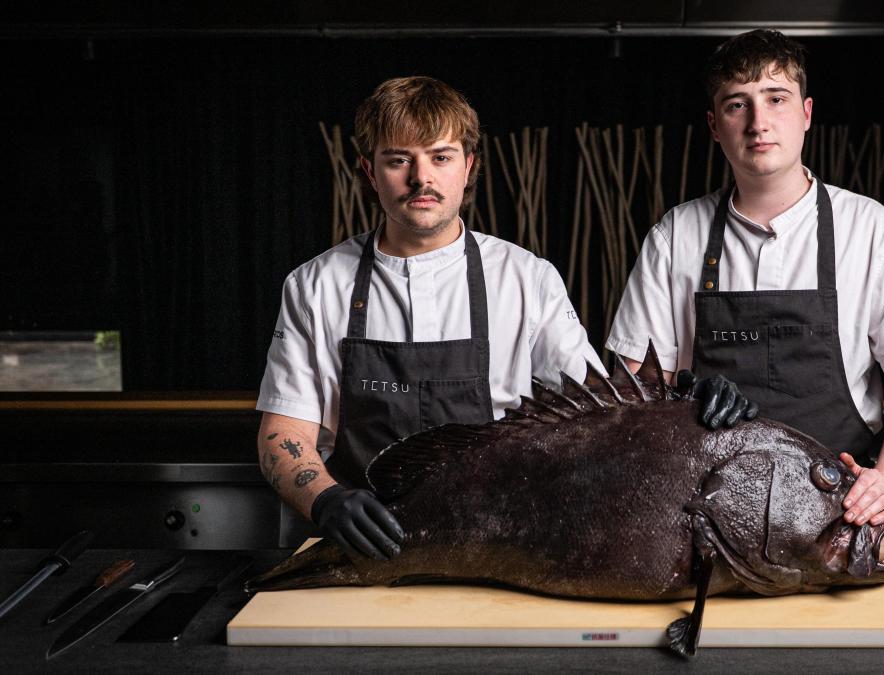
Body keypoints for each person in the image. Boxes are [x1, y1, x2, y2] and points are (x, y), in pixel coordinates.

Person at [256, 76, 756, 562]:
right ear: (369, 171)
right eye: (398, 160)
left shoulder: (525, 279)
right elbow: (284, 433)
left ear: (468, 166)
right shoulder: (315, 287)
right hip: (361, 547)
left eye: (441, 157)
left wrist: (686, 403)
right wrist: (326, 500)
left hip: (497, 549)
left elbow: (598, 416)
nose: (421, 178)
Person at [606, 30, 884, 531]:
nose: (758, 123)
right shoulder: (674, 236)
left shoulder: (870, 229)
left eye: (776, 99)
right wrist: (686, 398)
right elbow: (633, 387)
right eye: (737, 105)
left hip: (836, 511)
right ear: (714, 124)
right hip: (704, 510)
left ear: (807, 113)